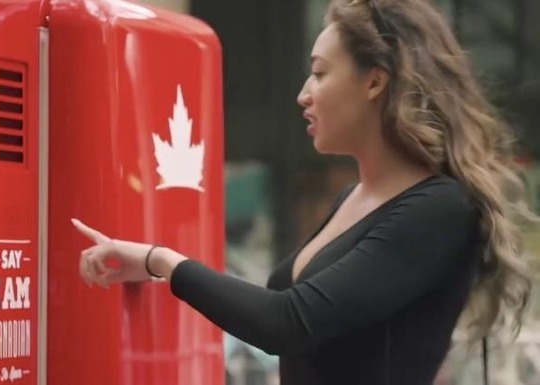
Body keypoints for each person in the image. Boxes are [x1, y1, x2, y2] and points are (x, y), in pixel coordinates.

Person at [71, 0, 537, 383]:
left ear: (374, 81)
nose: (304, 94)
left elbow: (286, 322)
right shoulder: (351, 201)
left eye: (319, 72)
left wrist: (161, 260)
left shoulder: (438, 210)